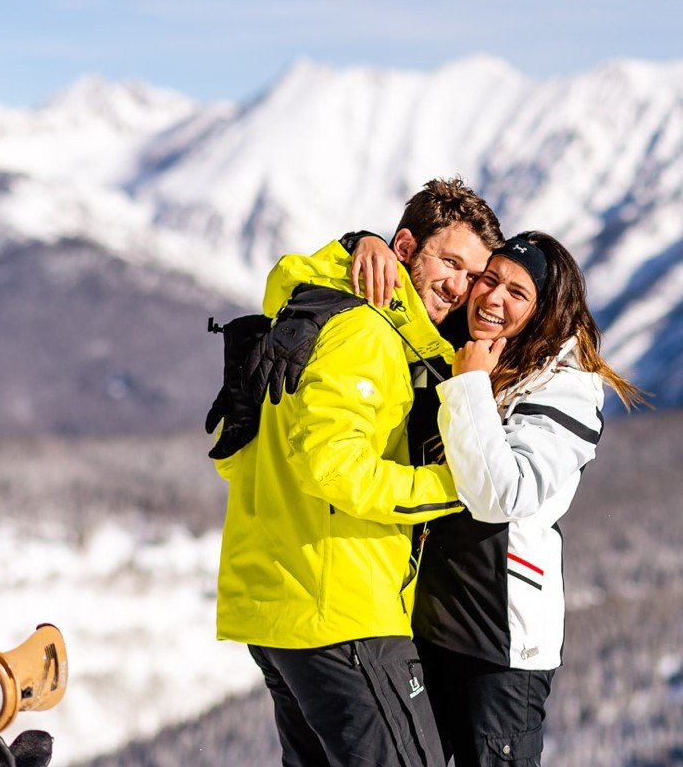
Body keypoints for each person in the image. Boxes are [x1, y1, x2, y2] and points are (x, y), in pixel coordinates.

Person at [212, 177, 502, 767]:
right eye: (450, 262)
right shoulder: (366, 334)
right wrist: (458, 486)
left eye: (474, 276)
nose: (460, 286)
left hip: (284, 607)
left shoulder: (316, 310)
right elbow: (337, 469)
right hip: (342, 612)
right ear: (403, 248)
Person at [352, 230, 645, 766]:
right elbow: (425, 251)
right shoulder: (472, 350)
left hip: (499, 648)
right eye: (489, 279)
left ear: (544, 312)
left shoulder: (566, 387)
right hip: (428, 627)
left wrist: (469, 388)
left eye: (517, 293)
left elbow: (502, 493)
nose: (492, 297)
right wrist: (365, 241)